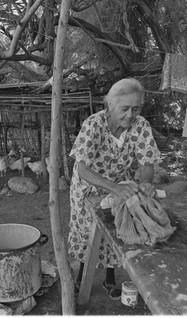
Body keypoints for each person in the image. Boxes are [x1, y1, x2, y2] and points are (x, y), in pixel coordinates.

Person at [68, 78, 161, 299]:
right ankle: (81, 276)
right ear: (110, 105)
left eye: (136, 108)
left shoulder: (141, 127)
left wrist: (146, 184)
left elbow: (147, 164)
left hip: (119, 188)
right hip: (88, 189)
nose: (130, 115)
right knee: (86, 234)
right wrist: (114, 188)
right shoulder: (94, 124)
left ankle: (110, 279)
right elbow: (82, 170)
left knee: (114, 232)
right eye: (125, 108)